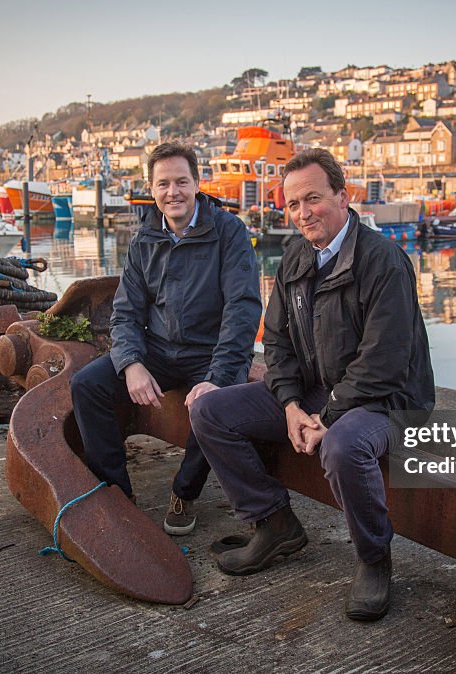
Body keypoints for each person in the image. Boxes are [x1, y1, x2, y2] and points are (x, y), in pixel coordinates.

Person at [190, 148, 434, 621]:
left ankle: (373, 558)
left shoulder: (384, 262)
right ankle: (274, 522)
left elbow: (383, 361)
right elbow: (276, 344)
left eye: (314, 199)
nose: (303, 213)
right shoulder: (296, 258)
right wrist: (290, 406)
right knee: (209, 411)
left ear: (344, 196)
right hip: (318, 393)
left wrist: (328, 416)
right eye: (294, 204)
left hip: (388, 402)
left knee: (342, 448)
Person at [70, 142, 262, 535]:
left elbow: (242, 310)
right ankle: (115, 491)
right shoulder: (145, 240)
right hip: (158, 350)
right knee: (87, 386)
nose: (172, 192)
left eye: (181, 182)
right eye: (163, 184)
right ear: (151, 189)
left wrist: (219, 375)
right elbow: (125, 313)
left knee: (214, 405)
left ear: (196, 183)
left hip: (211, 353)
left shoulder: (229, 233)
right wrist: (131, 363)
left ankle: (183, 491)